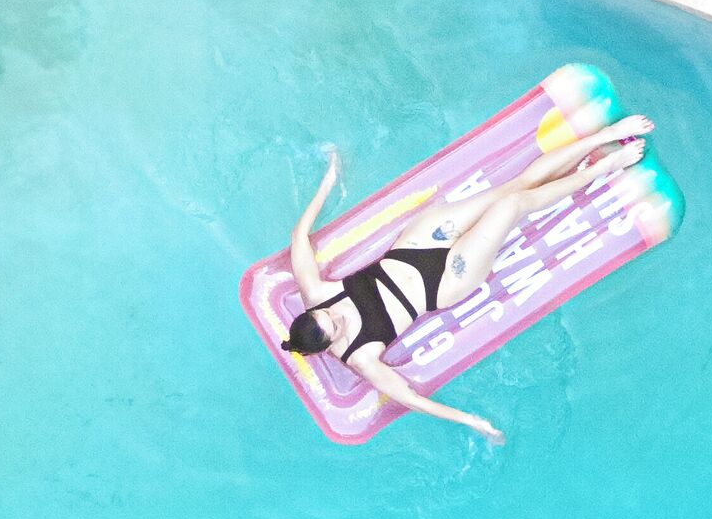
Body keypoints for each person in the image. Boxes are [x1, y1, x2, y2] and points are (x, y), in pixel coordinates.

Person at [279, 116, 654, 442]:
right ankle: (599, 170)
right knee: (513, 206)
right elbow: (410, 399)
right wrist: (471, 421)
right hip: (444, 281)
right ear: (328, 345)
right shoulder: (360, 357)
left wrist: (328, 179)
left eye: (329, 313)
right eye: (337, 325)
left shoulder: (316, 293)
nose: (338, 315)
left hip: (413, 246)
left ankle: (604, 136)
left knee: (513, 187)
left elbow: (299, 238)